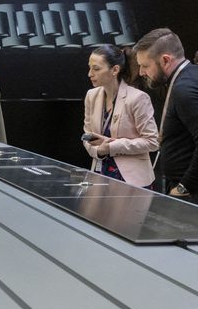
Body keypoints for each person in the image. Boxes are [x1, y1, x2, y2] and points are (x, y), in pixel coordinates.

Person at [135, 28, 198, 203]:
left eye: (145, 66)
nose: (141, 72)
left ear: (165, 60)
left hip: (189, 194)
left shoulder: (183, 88)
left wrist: (185, 186)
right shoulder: (189, 77)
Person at [82, 45, 158, 188]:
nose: (90, 74)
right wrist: (98, 151)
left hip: (132, 180)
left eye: (96, 69)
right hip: (99, 173)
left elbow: (152, 142)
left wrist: (112, 147)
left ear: (115, 70)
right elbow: (87, 135)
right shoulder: (91, 96)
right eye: (90, 68)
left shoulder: (137, 98)